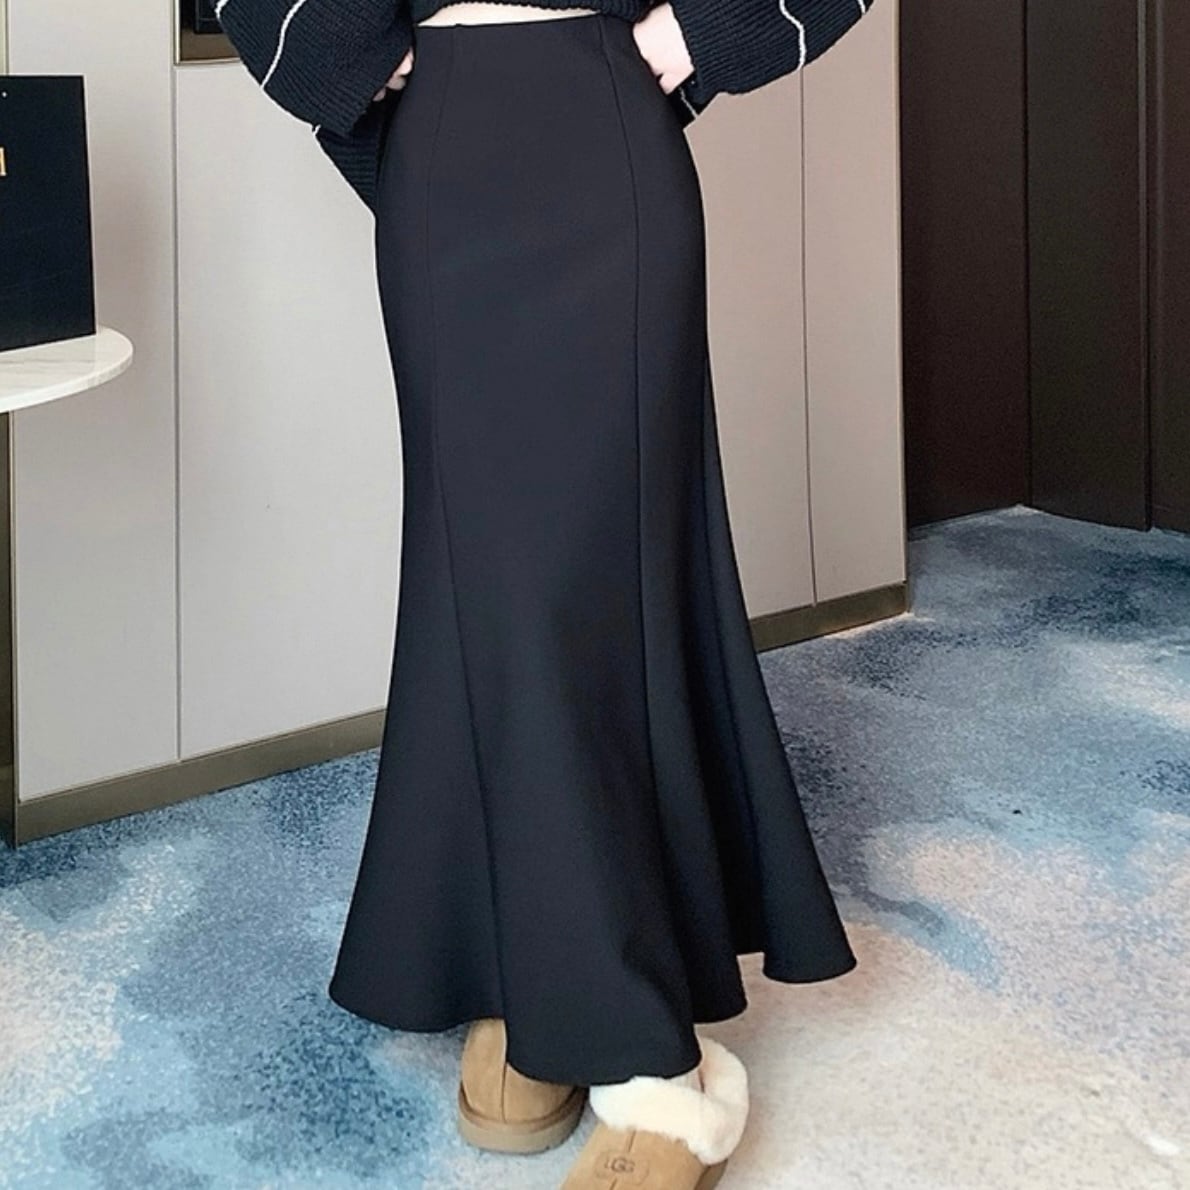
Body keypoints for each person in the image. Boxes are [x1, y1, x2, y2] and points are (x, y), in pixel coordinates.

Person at [215, 1, 876, 1185]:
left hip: (600, 117)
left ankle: (638, 1046)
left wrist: (695, 35)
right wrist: (357, 51)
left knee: (602, 580)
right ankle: (517, 965)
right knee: (477, 584)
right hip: (440, 142)